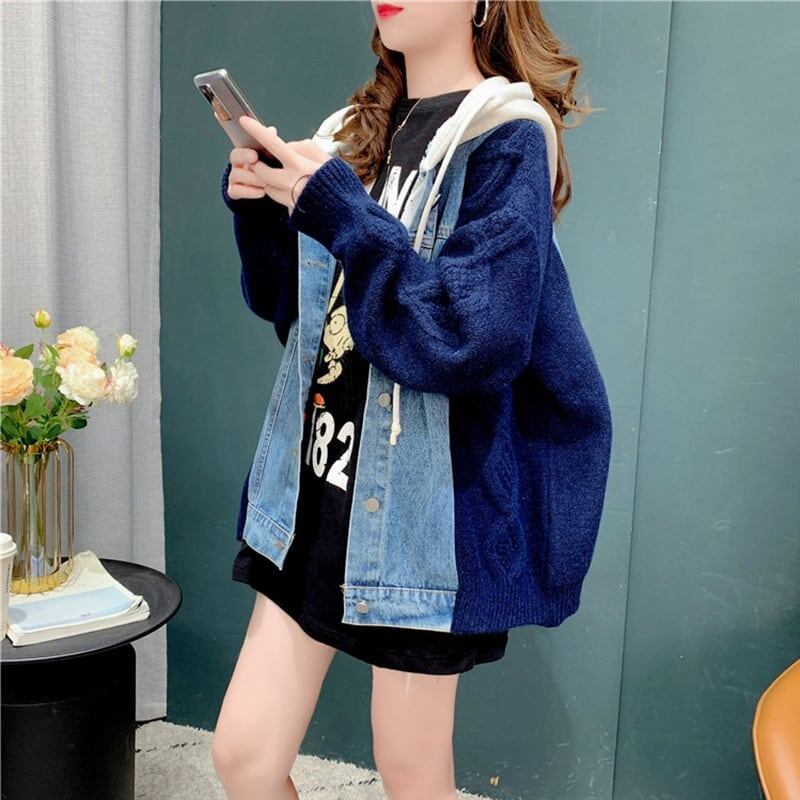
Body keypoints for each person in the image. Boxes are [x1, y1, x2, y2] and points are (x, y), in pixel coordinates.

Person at [212, 1, 613, 798]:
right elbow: (305, 322)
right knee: (243, 758)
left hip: (418, 519)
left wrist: (341, 212)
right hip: (313, 492)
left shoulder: (505, 138)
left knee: (409, 769)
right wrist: (261, 213)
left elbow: (469, 339)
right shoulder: (351, 133)